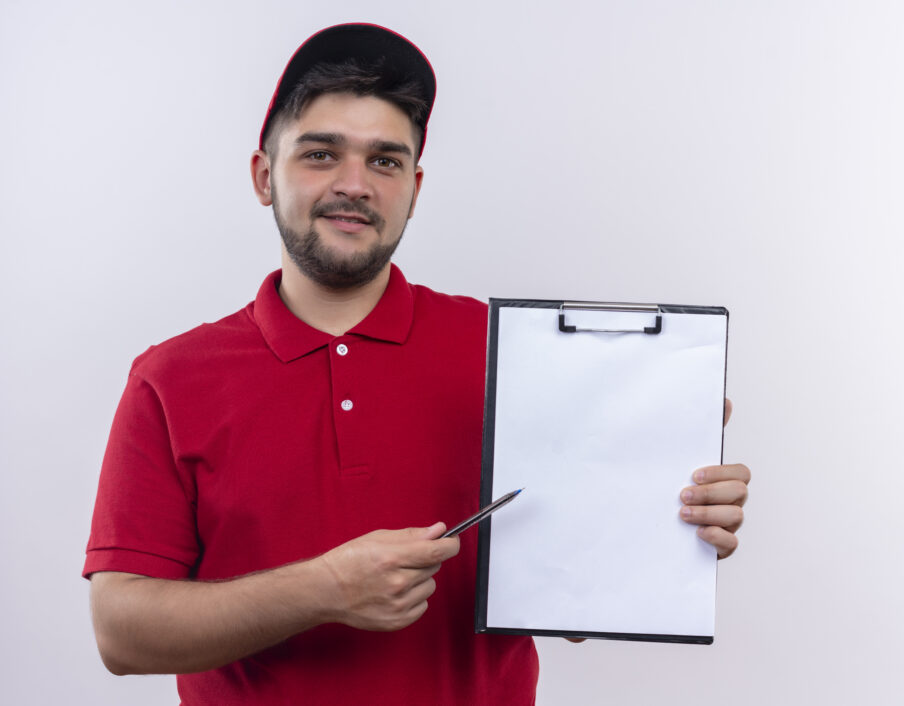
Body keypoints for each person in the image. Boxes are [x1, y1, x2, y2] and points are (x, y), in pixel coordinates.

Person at [83, 23, 751, 705]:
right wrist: (325, 589)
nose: (356, 184)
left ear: (415, 187)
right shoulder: (169, 379)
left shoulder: (510, 354)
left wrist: (665, 522)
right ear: (263, 176)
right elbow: (122, 634)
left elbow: (575, 597)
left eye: (386, 161)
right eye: (320, 154)